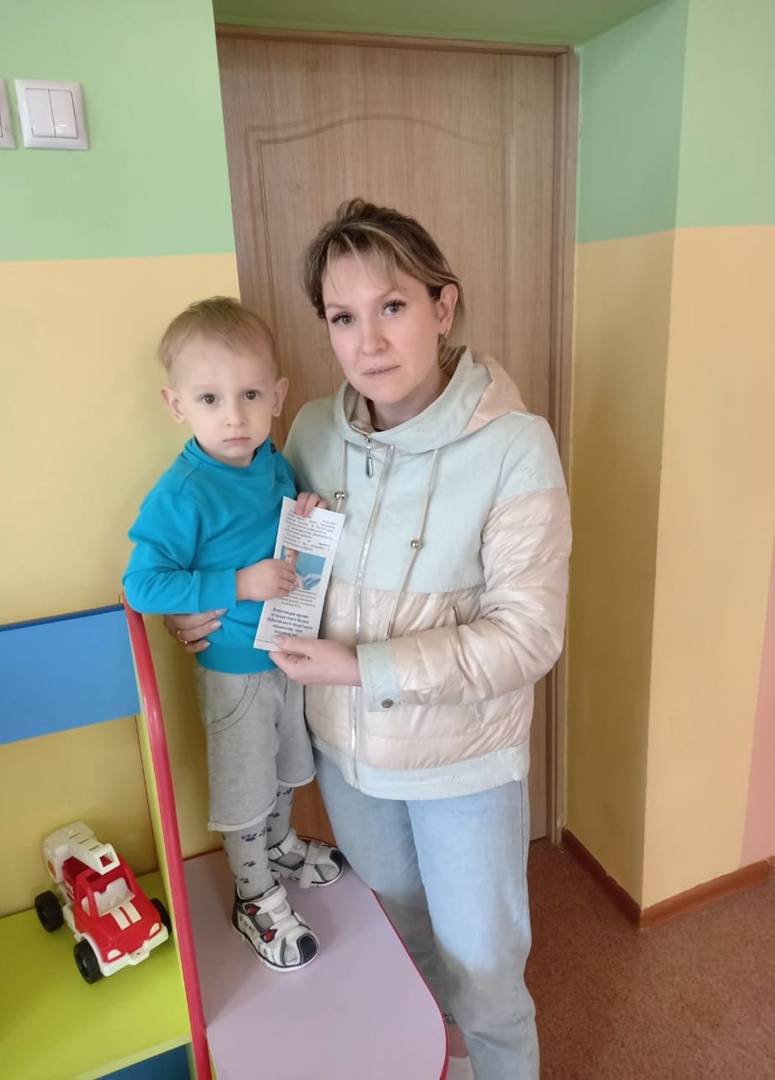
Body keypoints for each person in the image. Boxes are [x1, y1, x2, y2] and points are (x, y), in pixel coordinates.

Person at [166, 202, 571, 1079]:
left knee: (487, 975)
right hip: (347, 761)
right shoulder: (310, 431)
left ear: (443, 307)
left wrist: (361, 665)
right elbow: (266, 556)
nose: (368, 341)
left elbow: (528, 636)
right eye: (342, 317)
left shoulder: (515, 447)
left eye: (392, 306)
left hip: (464, 768)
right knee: (403, 947)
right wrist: (199, 607)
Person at [123, 297, 343, 974]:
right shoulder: (184, 491)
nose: (234, 417)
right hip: (233, 673)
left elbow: (277, 530)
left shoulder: (271, 461)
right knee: (246, 786)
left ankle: (277, 850)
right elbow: (143, 585)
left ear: (277, 395)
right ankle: (254, 897)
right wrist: (238, 584)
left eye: (250, 395)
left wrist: (303, 511)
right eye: (210, 398)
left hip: (287, 654)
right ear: (176, 404)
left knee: (284, 768)